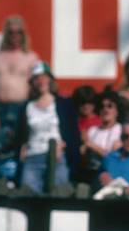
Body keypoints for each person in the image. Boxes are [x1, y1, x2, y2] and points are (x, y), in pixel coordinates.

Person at [0, 16, 39, 180]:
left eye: (18, 32)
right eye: (11, 32)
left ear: (23, 34)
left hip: (22, 107)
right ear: (6, 34)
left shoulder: (31, 57)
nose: (15, 36)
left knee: (21, 148)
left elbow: (39, 85)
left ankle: (19, 183)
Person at [15, 62, 80, 194]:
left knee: (58, 196)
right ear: (32, 82)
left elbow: (73, 134)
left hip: (57, 157)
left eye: (44, 77)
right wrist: (21, 148)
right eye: (37, 78)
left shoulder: (64, 104)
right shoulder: (26, 107)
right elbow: (20, 135)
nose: (41, 81)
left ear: (50, 79)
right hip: (33, 158)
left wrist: (66, 147)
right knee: (28, 197)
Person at [81, 87, 124, 172]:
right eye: (102, 106)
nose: (105, 109)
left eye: (110, 106)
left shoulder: (121, 130)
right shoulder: (92, 130)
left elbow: (115, 160)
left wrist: (94, 147)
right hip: (91, 172)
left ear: (117, 110)